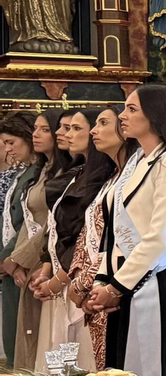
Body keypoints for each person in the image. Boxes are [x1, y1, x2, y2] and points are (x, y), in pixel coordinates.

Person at [87, 86, 166, 376]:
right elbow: (112, 229)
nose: (122, 117)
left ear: (156, 115)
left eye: (131, 109)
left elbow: (160, 236)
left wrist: (117, 286)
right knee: (124, 373)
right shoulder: (138, 160)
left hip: (159, 278)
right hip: (127, 277)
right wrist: (104, 279)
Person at [30, 109, 102, 362]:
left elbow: (83, 235)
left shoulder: (101, 177)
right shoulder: (76, 172)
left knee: (78, 359)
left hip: (76, 278)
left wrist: (57, 280)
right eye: (66, 128)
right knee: (57, 356)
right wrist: (45, 270)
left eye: (76, 128)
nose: (67, 134)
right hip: (59, 276)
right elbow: (55, 227)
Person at [64, 106, 129, 369]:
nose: (94, 130)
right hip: (94, 284)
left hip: (109, 284)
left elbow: (121, 238)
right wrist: (78, 279)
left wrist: (85, 284)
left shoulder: (131, 177)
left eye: (103, 123)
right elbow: (88, 234)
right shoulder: (113, 176)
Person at [4, 110, 69, 369]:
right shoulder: (43, 170)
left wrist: (17, 259)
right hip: (32, 260)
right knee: (26, 336)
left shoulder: (63, 172)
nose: (36, 134)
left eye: (45, 129)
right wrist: (17, 260)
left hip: (46, 261)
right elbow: (29, 220)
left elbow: (49, 224)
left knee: (43, 339)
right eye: (36, 129)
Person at [0, 111, 38, 362]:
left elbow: (31, 221)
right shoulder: (21, 173)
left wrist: (10, 260)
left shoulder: (36, 173)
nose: (7, 149)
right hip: (11, 265)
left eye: (11, 142)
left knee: (24, 342)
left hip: (25, 263)